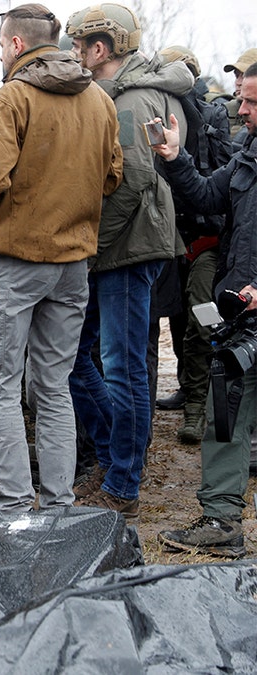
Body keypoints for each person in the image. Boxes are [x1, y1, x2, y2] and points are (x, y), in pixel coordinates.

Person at [0, 4, 123, 512]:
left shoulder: (14, 96)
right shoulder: (99, 99)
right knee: (54, 387)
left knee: (2, 386)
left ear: (13, 45)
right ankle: (58, 504)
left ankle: (11, 507)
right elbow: (113, 176)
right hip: (73, 262)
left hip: (18, 259)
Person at [65, 2, 191, 517]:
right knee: (75, 360)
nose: (73, 54)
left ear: (101, 49)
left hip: (125, 249)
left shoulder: (134, 100)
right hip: (115, 247)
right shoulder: (116, 94)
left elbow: (133, 181)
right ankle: (111, 454)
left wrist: (90, 245)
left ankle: (123, 482)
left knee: (123, 368)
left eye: (78, 45)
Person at [152, 65, 257, 557]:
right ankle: (221, 522)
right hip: (241, 317)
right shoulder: (247, 157)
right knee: (226, 414)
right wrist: (174, 159)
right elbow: (203, 194)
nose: (242, 109)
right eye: (243, 99)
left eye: (253, 102)